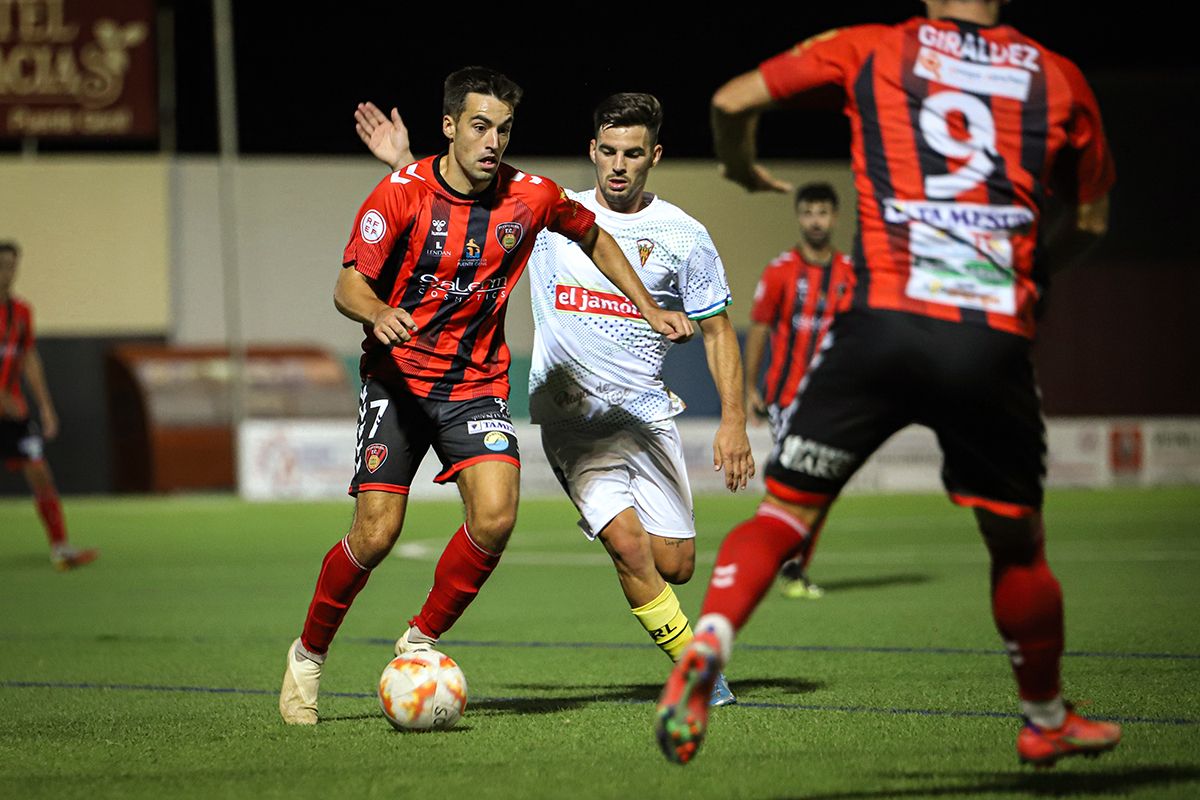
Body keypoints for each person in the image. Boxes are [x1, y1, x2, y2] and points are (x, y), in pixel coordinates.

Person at [656, 0, 1121, 768]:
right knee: (1017, 546)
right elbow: (1094, 219)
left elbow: (731, 99)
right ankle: (1043, 715)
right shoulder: (1057, 77)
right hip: (988, 336)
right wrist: (1027, 271)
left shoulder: (872, 47)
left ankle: (709, 643)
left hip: (878, 327)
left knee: (783, 516)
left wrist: (737, 164)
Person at [279, 67, 692, 725]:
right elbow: (348, 286)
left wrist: (646, 307)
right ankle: (308, 655)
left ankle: (420, 639)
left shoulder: (529, 196)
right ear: (448, 126)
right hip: (398, 383)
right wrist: (378, 312)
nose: (493, 141)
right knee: (377, 535)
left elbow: (595, 236)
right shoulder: (400, 194)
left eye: (503, 129)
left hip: (474, 387)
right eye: (479, 126)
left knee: (496, 517)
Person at [355, 93, 755, 707]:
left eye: (633, 155)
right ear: (592, 151)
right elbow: (458, 209)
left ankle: (663, 606)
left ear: (655, 157)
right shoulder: (548, 214)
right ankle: (701, 672)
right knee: (626, 545)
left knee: (674, 564)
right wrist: (403, 160)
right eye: (609, 152)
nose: (619, 166)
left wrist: (734, 422)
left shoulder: (684, 235)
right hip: (572, 417)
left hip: (647, 416)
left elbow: (719, 329)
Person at [744, 182, 855, 600]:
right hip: (787, 398)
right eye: (808, 212)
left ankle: (786, 561)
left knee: (821, 488)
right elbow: (758, 328)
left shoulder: (849, 275)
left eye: (823, 212)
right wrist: (750, 385)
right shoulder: (781, 271)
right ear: (799, 216)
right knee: (800, 481)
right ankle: (785, 563)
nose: (815, 220)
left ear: (835, 217)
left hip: (833, 398)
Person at [0, 242, 98, 571]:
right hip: (5, 405)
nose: (6, 272)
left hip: (15, 413)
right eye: (1, 265)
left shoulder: (21, 312)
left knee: (40, 471)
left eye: (11, 266)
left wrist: (45, 406)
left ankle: (60, 547)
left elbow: (28, 357)